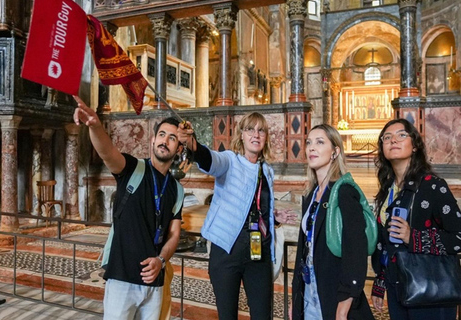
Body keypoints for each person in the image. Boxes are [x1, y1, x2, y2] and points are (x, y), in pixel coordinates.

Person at [73, 96, 183, 320]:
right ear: (152, 140)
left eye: (172, 138)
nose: (165, 141)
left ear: (179, 148)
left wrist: (160, 261)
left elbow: (173, 235)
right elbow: (107, 153)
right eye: (161, 135)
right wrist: (95, 127)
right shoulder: (133, 168)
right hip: (123, 278)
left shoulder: (177, 190)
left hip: (155, 281)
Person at [178, 112, 296, 320]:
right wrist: (193, 146)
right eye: (250, 129)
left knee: (262, 314)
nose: (256, 134)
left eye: (261, 130)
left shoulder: (267, 170)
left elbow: (255, 206)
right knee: (227, 315)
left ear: (266, 137)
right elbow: (211, 161)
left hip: (258, 251)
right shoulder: (229, 161)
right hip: (227, 250)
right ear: (241, 135)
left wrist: (273, 218)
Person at [370, 119, 461, 320]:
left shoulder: (432, 186)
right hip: (398, 286)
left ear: (415, 146)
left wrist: (414, 237)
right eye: (387, 137)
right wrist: (380, 282)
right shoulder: (388, 190)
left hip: (431, 288)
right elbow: (386, 242)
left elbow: (458, 237)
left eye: (402, 135)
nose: (393, 140)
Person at [291, 124, 374, 320]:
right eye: (309, 142)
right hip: (310, 290)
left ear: (335, 152)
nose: (312, 148)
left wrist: (344, 306)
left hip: (334, 293)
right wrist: (296, 300)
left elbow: (356, 251)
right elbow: (304, 250)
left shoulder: (344, 191)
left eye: (320, 142)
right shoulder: (312, 194)